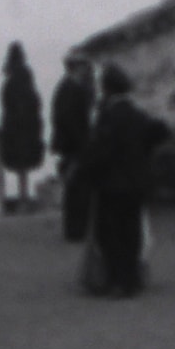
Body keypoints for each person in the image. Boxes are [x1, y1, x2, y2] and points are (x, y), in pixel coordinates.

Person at [79, 64, 171, 297]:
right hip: (136, 183)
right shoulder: (137, 114)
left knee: (110, 235)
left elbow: (100, 151)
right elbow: (161, 131)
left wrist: (86, 170)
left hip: (111, 185)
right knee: (132, 233)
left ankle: (116, 281)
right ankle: (132, 280)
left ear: (107, 89)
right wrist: (144, 153)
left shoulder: (108, 117)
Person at [50, 55, 99, 244]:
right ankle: (76, 229)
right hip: (74, 145)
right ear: (76, 67)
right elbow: (71, 120)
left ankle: (76, 228)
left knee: (76, 187)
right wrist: (82, 143)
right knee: (77, 187)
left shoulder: (68, 87)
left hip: (71, 144)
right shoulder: (71, 89)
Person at [0, 44, 46, 212]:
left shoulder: (11, 81)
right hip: (27, 127)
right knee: (23, 165)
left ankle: (22, 199)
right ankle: (23, 198)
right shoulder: (27, 80)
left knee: (20, 165)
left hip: (15, 127)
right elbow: (35, 103)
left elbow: (8, 104)